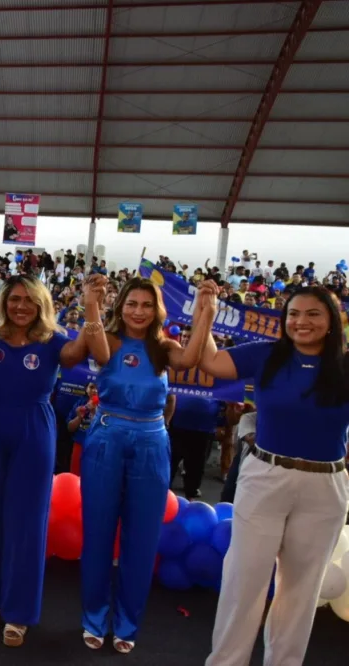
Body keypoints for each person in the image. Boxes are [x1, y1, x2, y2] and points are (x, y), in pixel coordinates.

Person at [200, 287, 349, 666]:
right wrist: (207, 312)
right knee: (243, 581)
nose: (301, 322)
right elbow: (211, 362)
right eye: (294, 314)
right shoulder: (266, 354)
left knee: (301, 589)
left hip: (325, 487)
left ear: (333, 320)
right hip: (265, 477)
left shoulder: (346, 366)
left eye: (313, 314)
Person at [0, 274, 105, 648]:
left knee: (26, 521)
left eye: (29, 299)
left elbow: (81, 354)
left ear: (42, 304)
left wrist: (91, 303)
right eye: (14, 299)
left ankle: (19, 613)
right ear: (4, 302)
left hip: (33, 430)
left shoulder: (53, 341)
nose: (21, 306)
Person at [79, 277, 218, 653]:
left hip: (152, 442)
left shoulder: (164, 348)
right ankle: (94, 616)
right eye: (131, 304)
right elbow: (99, 352)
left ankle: (126, 623)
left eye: (145, 304)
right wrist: (91, 303)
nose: (138, 311)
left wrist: (207, 310)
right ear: (120, 306)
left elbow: (190, 360)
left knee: (141, 539)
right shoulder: (109, 339)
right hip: (107, 438)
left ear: (156, 310)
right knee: (98, 534)